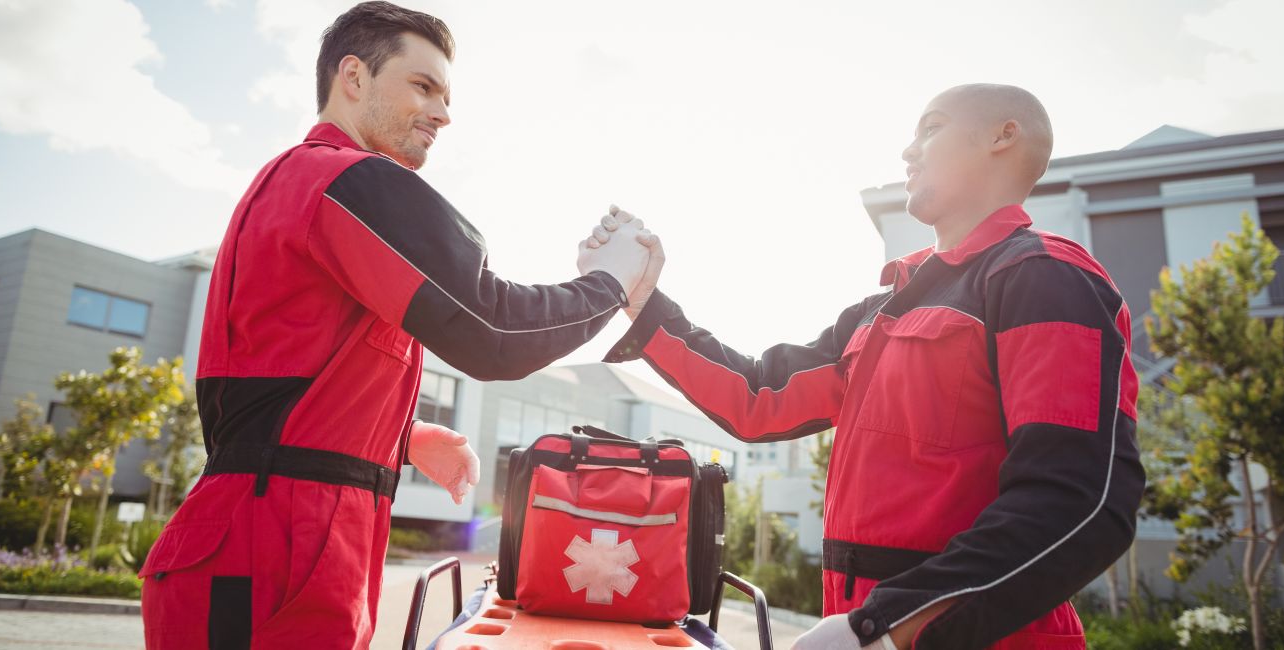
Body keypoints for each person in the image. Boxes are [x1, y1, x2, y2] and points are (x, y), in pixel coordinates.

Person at [139, 3, 655, 648]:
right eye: (423, 86)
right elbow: (490, 328)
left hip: (271, 540)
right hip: (276, 554)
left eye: (445, 94)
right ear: (352, 77)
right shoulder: (345, 181)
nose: (443, 113)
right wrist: (610, 282)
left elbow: (276, 370)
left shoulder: (296, 185)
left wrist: (399, 435)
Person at [592, 84, 1145, 649]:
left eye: (931, 128)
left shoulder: (1046, 279)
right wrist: (641, 299)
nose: (908, 151)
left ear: (1004, 136)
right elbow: (758, 397)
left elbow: (1080, 500)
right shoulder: (882, 309)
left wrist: (887, 628)